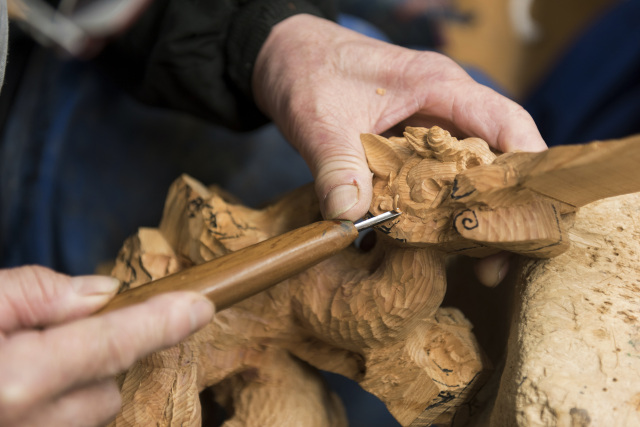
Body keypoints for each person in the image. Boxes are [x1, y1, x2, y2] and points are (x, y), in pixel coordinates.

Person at [0, 0, 546, 425]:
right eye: (437, 190)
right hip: (138, 297)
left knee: (472, 96)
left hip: (44, 51)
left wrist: (263, 35)